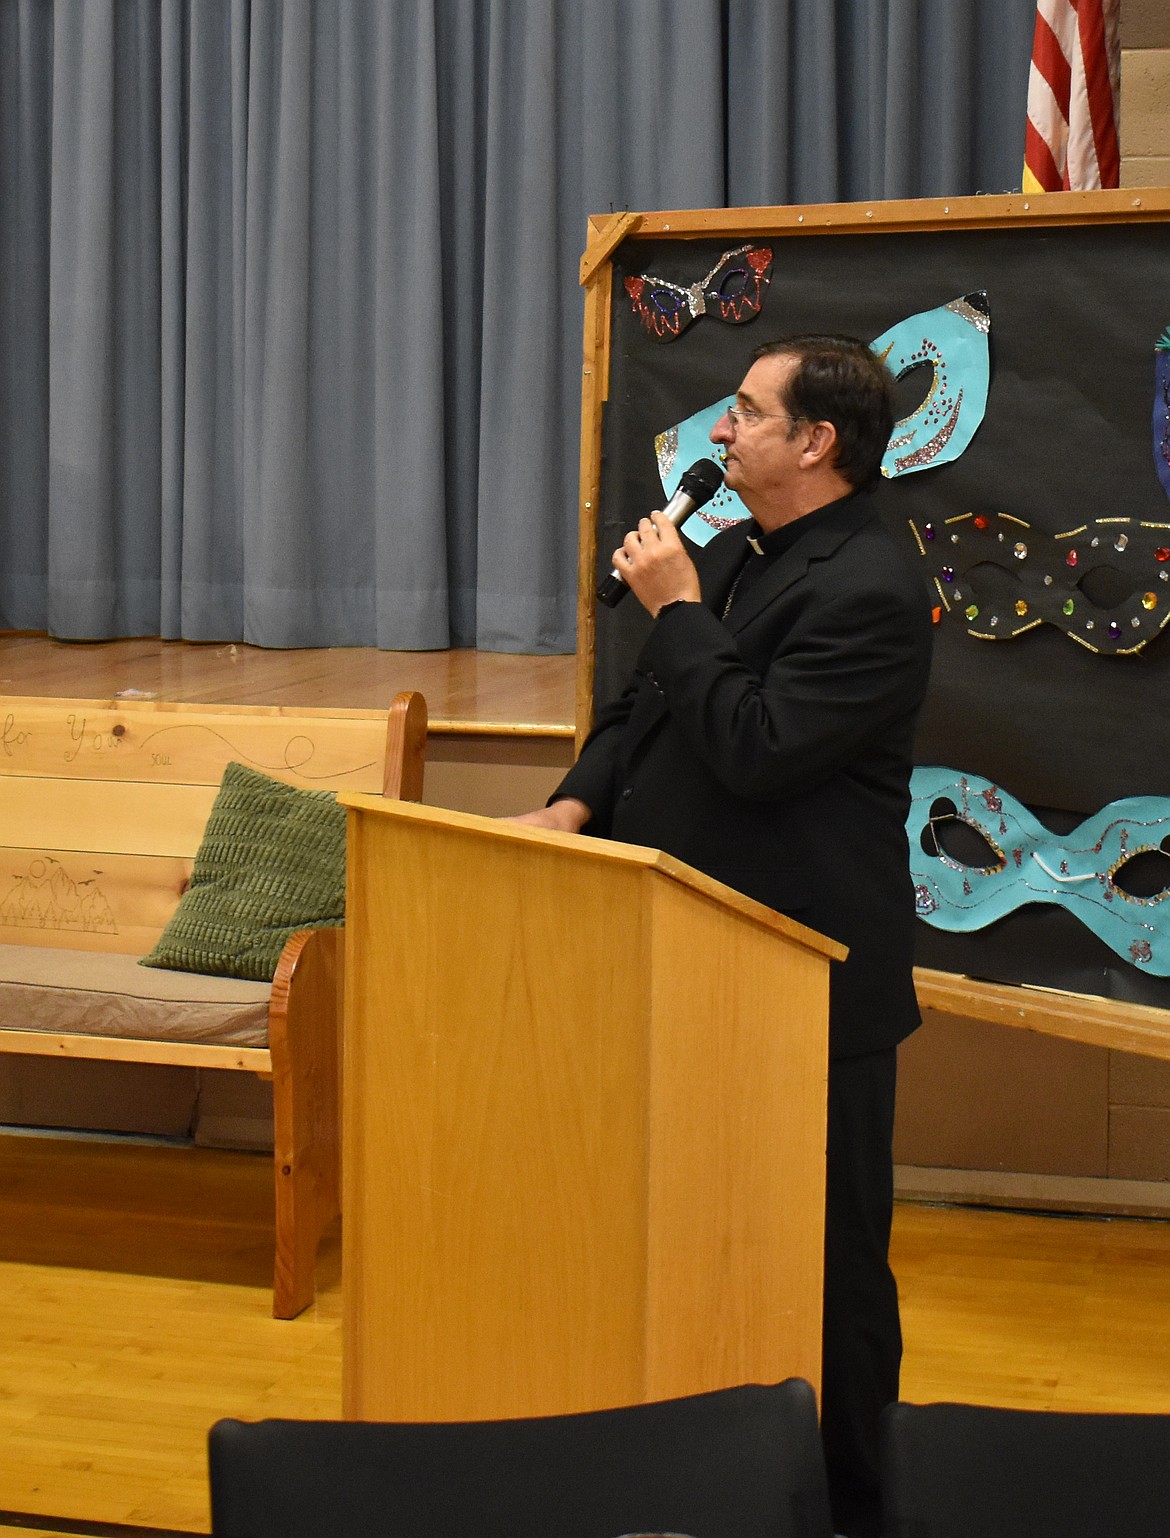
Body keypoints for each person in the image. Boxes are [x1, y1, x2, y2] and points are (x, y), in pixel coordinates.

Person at [514, 333, 933, 1538]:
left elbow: (754, 745)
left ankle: (860, 1506)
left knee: (830, 1272)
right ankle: (703, 1472)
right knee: (697, 1238)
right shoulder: (743, 550)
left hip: (807, 986)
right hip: (690, 969)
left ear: (817, 442)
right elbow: (646, 710)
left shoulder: (872, 586)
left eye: (744, 412)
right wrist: (574, 800)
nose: (719, 432)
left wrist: (681, 607)